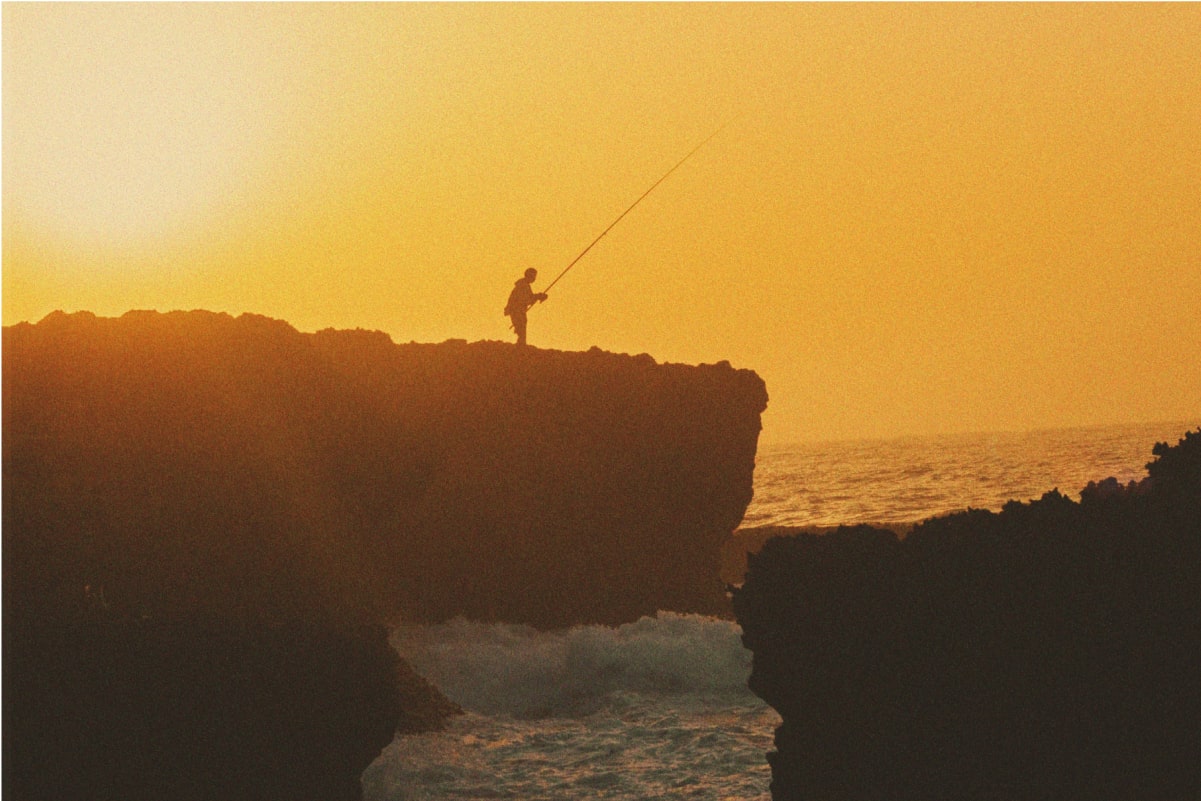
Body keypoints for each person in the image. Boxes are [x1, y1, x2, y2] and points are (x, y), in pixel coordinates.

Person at [503, 268, 548, 346]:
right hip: (516, 310)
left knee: (521, 325)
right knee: (521, 325)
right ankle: (521, 346)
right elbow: (526, 299)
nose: (534, 278)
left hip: (517, 309)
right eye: (534, 276)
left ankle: (521, 344)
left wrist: (538, 296)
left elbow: (529, 298)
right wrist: (538, 296)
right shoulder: (523, 285)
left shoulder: (524, 285)